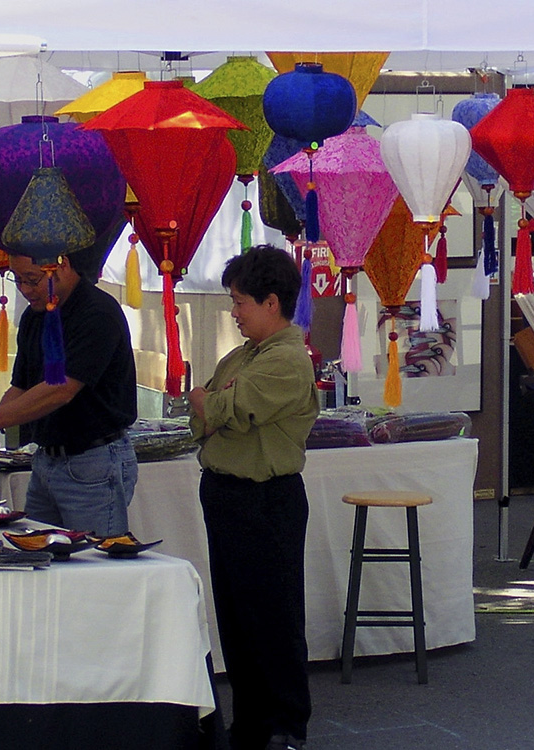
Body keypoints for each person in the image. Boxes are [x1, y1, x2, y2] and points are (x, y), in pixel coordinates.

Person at [188, 245, 319, 750]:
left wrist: (211, 403)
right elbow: (201, 412)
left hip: (265, 499)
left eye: (240, 302)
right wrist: (210, 404)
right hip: (226, 493)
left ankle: (286, 725)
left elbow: (226, 409)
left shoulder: (287, 360)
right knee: (237, 617)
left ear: (271, 303)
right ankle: (250, 724)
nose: (234, 312)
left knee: (273, 615)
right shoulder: (241, 356)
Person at [0, 251, 138, 536]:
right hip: (45, 459)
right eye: (18, 280)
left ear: (61, 265)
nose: (25, 290)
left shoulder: (97, 312)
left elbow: (61, 390)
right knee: (38, 551)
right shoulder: (34, 316)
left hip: (92, 461)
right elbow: (21, 387)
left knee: (92, 557)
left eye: (32, 279)